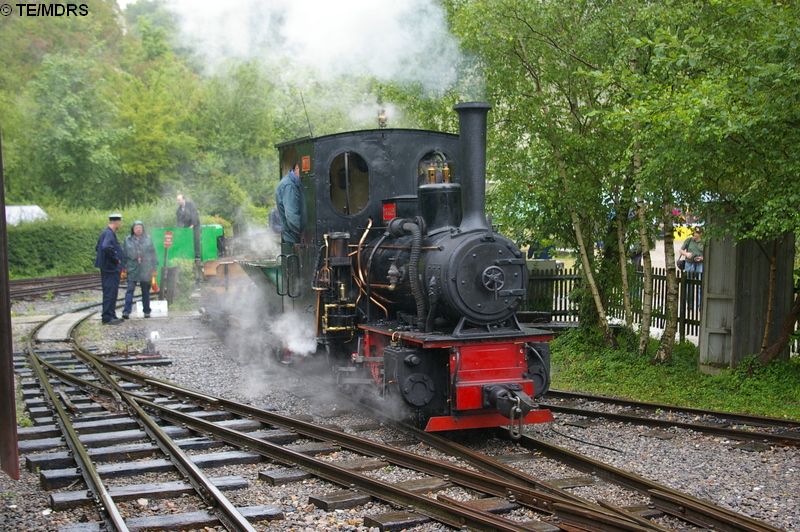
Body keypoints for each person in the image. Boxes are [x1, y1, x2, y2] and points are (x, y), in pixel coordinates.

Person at [122, 221, 158, 319]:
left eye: (140, 227)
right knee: (130, 290)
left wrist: (154, 267)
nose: (138, 229)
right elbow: (124, 255)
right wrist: (123, 269)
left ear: (143, 229)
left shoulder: (148, 239)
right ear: (133, 229)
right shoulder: (127, 240)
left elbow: (153, 254)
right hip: (132, 268)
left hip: (145, 268)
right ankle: (126, 312)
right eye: (136, 227)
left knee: (145, 291)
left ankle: (146, 311)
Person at [94, 213, 125, 325]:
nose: (120, 224)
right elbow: (106, 247)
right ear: (116, 222)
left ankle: (111, 314)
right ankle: (107, 317)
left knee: (112, 291)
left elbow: (97, 247)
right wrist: (116, 259)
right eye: (120, 222)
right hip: (110, 268)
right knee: (110, 292)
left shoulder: (106, 233)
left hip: (108, 267)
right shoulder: (109, 233)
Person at [275, 161, 305, 254]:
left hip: (291, 237)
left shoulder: (289, 182)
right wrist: (305, 232)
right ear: (296, 168)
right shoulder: (289, 186)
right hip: (293, 239)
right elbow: (291, 216)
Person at [680, 226, 704, 309]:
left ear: (701, 234)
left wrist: (702, 258)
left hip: (700, 264)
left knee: (700, 284)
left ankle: (699, 305)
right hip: (689, 263)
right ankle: (689, 305)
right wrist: (686, 254)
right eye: (694, 233)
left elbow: (708, 254)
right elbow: (681, 250)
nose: (695, 234)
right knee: (689, 284)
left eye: (697, 233)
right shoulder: (689, 240)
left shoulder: (703, 242)